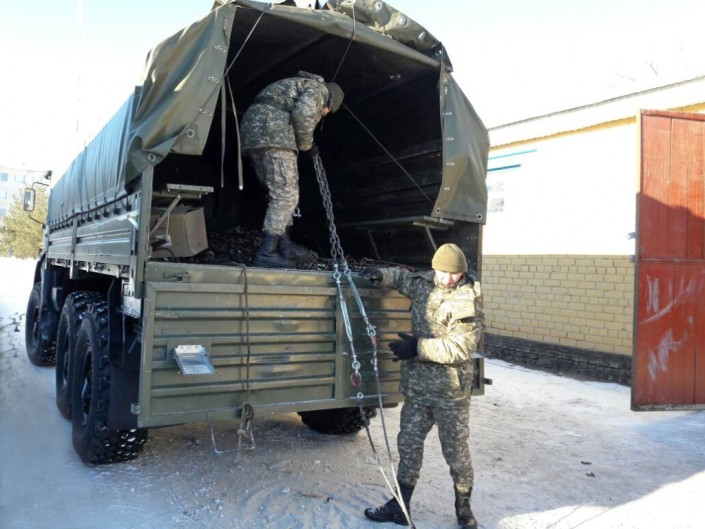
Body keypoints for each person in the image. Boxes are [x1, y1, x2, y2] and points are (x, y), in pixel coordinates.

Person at [360, 243, 484, 529]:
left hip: (450, 393)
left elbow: (461, 347)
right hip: (418, 388)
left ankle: (463, 506)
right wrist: (381, 275)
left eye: (456, 273)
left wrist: (417, 347)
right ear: (434, 268)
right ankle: (400, 507)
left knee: (455, 452)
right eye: (444, 272)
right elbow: (403, 278)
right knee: (408, 446)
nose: (450, 278)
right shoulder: (424, 283)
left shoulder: (467, 298)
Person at [240, 71, 344, 268]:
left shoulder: (297, 84)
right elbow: (303, 113)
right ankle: (267, 253)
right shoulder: (319, 89)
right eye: (327, 110)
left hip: (255, 135)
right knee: (286, 196)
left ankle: (284, 245)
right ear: (330, 100)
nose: (324, 113)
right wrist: (307, 145)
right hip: (275, 136)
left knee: (277, 194)